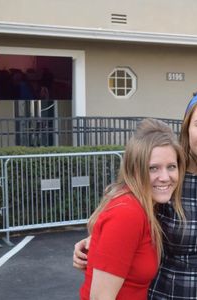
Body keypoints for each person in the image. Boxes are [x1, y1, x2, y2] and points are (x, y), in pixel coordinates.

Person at [74, 88, 197, 299]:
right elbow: (127, 220)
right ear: (187, 128)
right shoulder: (167, 179)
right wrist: (94, 241)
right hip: (166, 294)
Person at [79, 118, 186, 300]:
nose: (165, 177)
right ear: (135, 169)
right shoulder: (127, 213)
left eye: (171, 167)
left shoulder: (145, 206)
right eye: (153, 168)